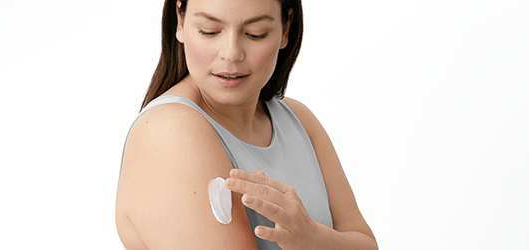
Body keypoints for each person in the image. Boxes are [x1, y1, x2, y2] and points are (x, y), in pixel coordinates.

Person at [114, 0, 377, 249]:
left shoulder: (298, 120)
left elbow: (366, 243)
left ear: (285, 28)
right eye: (210, 31)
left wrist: (312, 238)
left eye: (255, 33)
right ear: (180, 21)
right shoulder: (170, 132)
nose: (231, 54)